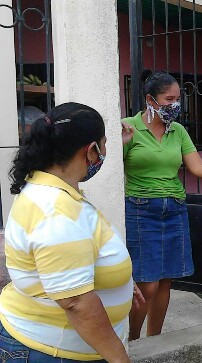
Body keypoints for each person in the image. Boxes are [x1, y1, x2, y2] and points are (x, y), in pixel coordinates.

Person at [0, 102, 144, 362]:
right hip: (49, 351)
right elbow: (76, 303)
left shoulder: (54, 190)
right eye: (105, 144)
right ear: (90, 151)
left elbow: (70, 262)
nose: (107, 151)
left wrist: (117, 279)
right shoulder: (55, 210)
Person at [121, 70, 202, 341]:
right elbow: (108, 166)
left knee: (167, 280)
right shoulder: (128, 127)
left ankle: (155, 340)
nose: (175, 105)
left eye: (178, 99)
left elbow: (199, 167)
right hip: (140, 210)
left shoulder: (177, 131)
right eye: (169, 99)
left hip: (175, 209)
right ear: (150, 100)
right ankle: (134, 342)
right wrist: (121, 143)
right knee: (147, 283)